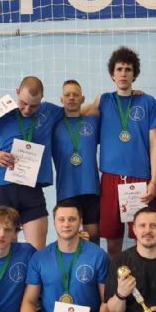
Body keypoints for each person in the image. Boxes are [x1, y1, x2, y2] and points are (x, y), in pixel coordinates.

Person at [84, 46, 156, 257]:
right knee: (112, 239)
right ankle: (114, 276)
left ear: (134, 74)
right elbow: (74, 113)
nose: (123, 73)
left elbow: (155, 143)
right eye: (119, 69)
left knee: (144, 236)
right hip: (111, 178)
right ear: (112, 74)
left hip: (140, 177)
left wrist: (154, 181)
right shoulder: (103, 100)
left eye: (128, 69)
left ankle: (143, 274)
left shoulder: (147, 101)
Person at [0, 76, 62, 250]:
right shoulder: (1, 113)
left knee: (37, 252)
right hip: (3, 186)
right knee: (3, 249)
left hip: (31, 187)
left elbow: (76, 111)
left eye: (34, 105)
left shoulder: (49, 112)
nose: (28, 109)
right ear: (17, 93)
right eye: (23, 103)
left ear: (42, 99)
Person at [52, 80, 101, 244]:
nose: (71, 98)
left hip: (91, 189)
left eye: (75, 94)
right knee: (68, 239)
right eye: (67, 95)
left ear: (82, 98)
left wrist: (134, 96)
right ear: (61, 99)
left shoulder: (93, 121)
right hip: (66, 190)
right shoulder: (53, 126)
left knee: (92, 238)